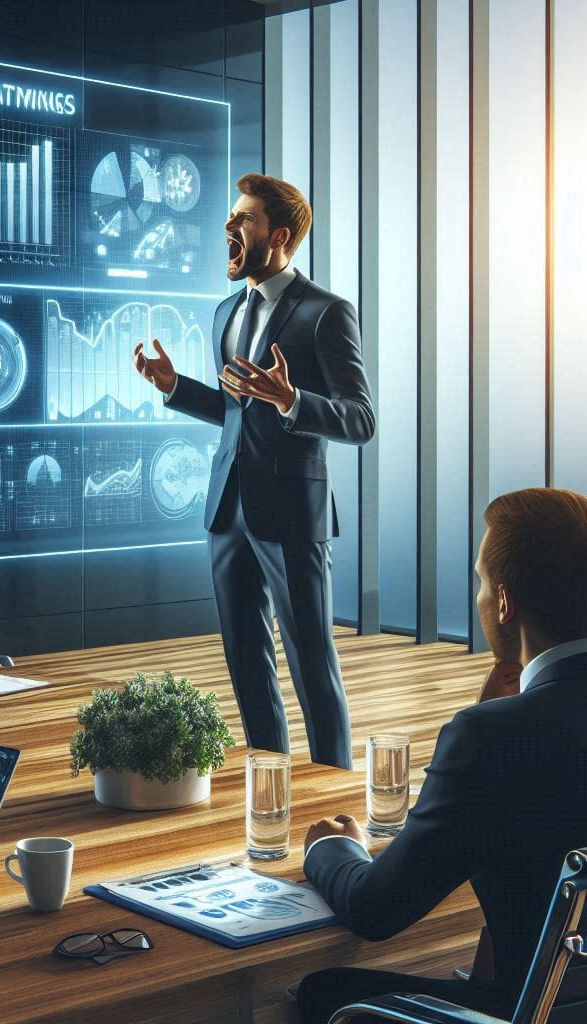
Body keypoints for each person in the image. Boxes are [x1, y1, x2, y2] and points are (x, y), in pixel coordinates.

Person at [298, 488, 587, 1022]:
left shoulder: (492, 739)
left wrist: (333, 849)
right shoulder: (501, 729)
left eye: (480, 580)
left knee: (324, 992)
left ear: (504, 601)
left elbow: (377, 909)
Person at [133, 173, 374, 768]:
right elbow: (236, 414)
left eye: (244, 219)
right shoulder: (225, 313)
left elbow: (361, 419)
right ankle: (270, 784)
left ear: (281, 235)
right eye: (231, 217)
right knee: (246, 658)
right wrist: (175, 388)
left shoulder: (325, 313)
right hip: (227, 510)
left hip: (292, 512)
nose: (229, 227)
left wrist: (292, 400)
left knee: (310, 662)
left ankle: (333, 789)